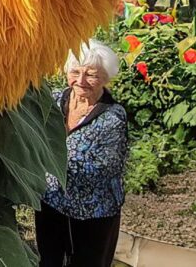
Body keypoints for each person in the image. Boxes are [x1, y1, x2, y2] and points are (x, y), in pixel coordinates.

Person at [36, 40, 128, 267]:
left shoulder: (112, 118)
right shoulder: (55, 100)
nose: (81, 80)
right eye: (75, 71)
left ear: (105, 78)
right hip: (51, 203)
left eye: (91, 75)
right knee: (49, 261)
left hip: (93, 213)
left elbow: (106, 168)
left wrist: (44, 159)